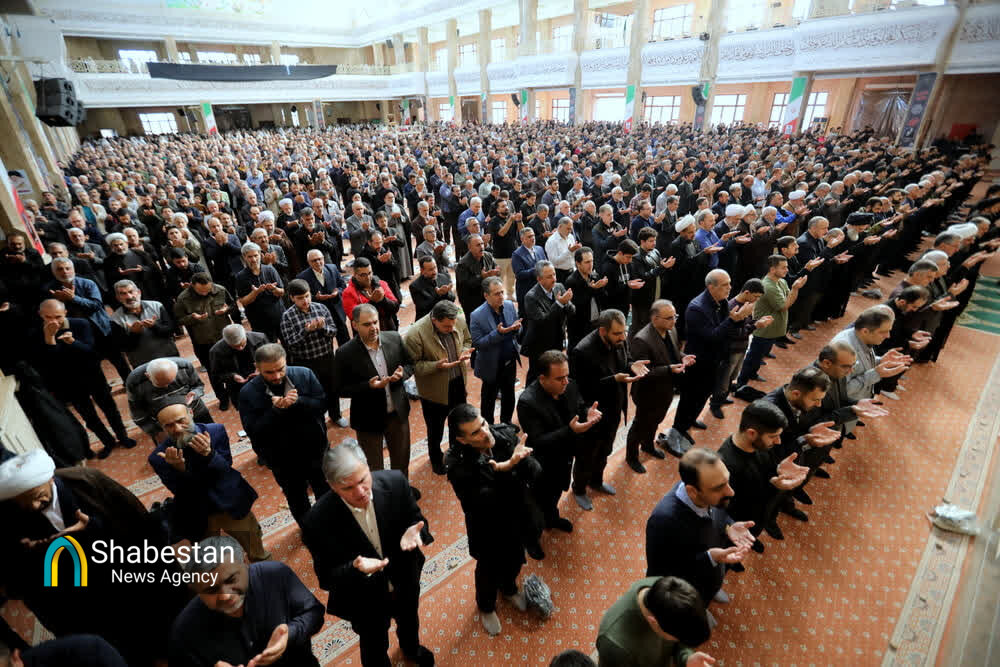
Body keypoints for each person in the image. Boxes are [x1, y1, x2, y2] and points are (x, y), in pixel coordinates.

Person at [0, 449, 185, 665]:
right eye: (24, 503)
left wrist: (94, 530)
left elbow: (140, 528)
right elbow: (23, 582)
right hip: (83, 605)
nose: (32, 506)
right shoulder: (8, 515)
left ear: (50, 478)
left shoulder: (89, 482)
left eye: (36, 496)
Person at [300, 442, 435, 667]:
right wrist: (355, 568)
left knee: (410, 622)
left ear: (368, 467)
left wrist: (417, 533)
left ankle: (411, 649)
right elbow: (326, 577)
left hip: (404, 580)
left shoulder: (396, 482)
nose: (360, 492)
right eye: (348, 488)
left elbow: (417, 520)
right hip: (364, 599)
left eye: (363, 480)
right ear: (332, 486)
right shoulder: (316, 521)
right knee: (374, 646)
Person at [445, 403, 544, 635]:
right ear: (462, 440)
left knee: (515, 559)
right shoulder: (457, 465)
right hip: (487, 527)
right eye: (475, 432)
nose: (485, 433)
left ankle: (509, 589)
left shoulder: (503, 435)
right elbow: (483, 502)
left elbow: (535, 471)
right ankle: (486, 606)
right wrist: (506, 468)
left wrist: (523, 461)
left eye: (483, 424)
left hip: (517, 517)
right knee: (488, 570)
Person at [169, 535, 324, 667]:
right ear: (195, 589)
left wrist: (290, 634)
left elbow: (313, 612)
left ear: (245, 562)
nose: (225, 596)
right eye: (211, 590)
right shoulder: (184, 632)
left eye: (231, 580)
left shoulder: (276, 575)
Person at [150, 400, 269, 561]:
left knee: (257, 551)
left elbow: (226, 468)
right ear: (161, 427)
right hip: (197, 513)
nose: (177, 429)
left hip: (230, 502)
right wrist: (180, 470)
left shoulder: (215, 431)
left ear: (191, 413)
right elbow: (180, 492)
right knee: (211, 563)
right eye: (169, 425)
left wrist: (210, 454)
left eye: (181, 421)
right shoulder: (159, 457)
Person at [645, 448, 755, 616]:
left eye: (727, 481)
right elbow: (664, 575)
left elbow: (719, 516)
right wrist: (710, 558)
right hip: (689, 589)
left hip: (712, 573)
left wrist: (729, 527)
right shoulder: (663, 522)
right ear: (692, 491)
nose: (731, 492)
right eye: (719, 487)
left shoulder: (709, 490)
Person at [237, 343, 330, 523]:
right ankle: (309, 530)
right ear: (257, 368)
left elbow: (322, 405)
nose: (277, 376)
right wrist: (275, 411)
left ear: (286, 361)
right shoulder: (247, 393)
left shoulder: (304, 374)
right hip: (282, 460)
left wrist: (299, 402)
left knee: (324, 491)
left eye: (280, 369)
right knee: (297, 499)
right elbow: (254, 431)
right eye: (269, 372)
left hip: (315, 449)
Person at [33, 299, 136, 459]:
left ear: (65, 312)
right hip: (69, 382)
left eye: (58, 316)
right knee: (89, 416)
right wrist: (50, 339)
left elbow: (92, 352)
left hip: (92, 375)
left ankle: (123, 437)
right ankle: (108, 442)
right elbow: (49, 365)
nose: (54, 321)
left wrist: (73, 342)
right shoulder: (37, 334)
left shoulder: (81, 324)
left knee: (109, 408)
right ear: (40, 315)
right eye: (48, 317)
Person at [570, 309, 648, 510]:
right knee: (587, 454)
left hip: (614, 407)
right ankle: (579, 488)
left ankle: (596, 481)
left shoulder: (620, 339)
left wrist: (632, 365)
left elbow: (626, 360)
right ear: (603, 331)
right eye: (617, 333)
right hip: (593, 412)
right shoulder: (582, 351)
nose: (623, 337)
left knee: (605, 449)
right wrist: (614, 379)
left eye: (624, 332)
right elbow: (581, 388)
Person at [517, 350, 602, 533]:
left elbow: (579, 406)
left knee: (555, 494)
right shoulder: (527, 402)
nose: (566, 382)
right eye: (559, 378)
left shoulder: (569, 385)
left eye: (566, 376)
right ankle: (535, 534)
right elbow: (538, 441)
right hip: (544, 463)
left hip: (565, 457)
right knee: (540, 500)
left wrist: (587, 412)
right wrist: (570, 431)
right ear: (542, 378)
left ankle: (551, 519)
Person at [669, 270, 753, 446]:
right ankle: (679, 429)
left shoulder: (721, 301)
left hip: (716, 359)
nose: (730, 288)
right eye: (725, 285)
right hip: (699, 361)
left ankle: (690, 421)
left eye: (729, 283)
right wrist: (734, 319)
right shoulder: (697, 308)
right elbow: (712, 336)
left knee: (704, 394)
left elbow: (728, 330)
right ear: (711, 287)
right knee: (690, 398)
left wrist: (739, 319)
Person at [334, 303, 415, 478]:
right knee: (374, 468)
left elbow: (410, 363)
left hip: (397, 413)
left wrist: (402, 374)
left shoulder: (394, 338)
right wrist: (368, 386)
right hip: (368, 419)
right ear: (354, 325)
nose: (373, 328)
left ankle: (400, 489)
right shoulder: (344, 353)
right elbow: (339, 388)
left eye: (375, 322)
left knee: (401, 463)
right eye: (367, 324)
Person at [717, 399, 804, 549]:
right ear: (751, 433)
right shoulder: (725, 466)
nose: (778, 441)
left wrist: (778, 472)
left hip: (758, 515)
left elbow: (765, 472)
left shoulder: (760, 444)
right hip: (738, 527)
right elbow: (721, 510)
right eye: (773, 436)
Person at [404, 300, 472, 475]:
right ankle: (435, 459)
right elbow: (413, 366)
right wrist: (436, 366)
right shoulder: (415, 334)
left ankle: (455, 453)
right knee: (435, 428)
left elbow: (467, 339)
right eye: (446, 327)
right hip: (433, 391)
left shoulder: (457, 320)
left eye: (453, 325)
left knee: (458, 423)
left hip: (457, 382)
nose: (451, 328)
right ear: (434, 320)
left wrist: (464, 350)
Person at [627, 300, 693, 467]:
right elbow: (643, 372)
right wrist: (669, 369)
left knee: (655, 421)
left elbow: (672, 353)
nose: (674, 321)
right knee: (639, 426)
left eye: (675, 316)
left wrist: (682, 357)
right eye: (669, 318)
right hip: (648, 392)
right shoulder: (642, 340)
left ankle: (647, 445)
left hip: (666, 388)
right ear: (655, 319)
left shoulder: (670, 329)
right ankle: (631, 457)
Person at [44, 256, 131, 381]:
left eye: (67, 268)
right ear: (54, 272)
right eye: (60, 269)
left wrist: (74, 298)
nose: (64, 272)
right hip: (77, 334)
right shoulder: (50, 290)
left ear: (73, 269)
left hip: (100, 329)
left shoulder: (87, 283)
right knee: (91, 366)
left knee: (118, 361)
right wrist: (59, 301)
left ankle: (130, 384)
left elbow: (96, 305)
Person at [596, 576, 714, 667]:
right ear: (654, 622)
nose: (679, 640)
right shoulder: (614, 646)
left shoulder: (665, 588)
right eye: (677, 638)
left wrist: (686, 658)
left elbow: (680, 640)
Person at [732, 256, 806, 398]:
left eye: (787, 267)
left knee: (759, 356)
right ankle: (740, 384)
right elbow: (784, 305)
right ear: (772, 269)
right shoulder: (769, 286)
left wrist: (792, 292)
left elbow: (788, 299)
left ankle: (752, 373)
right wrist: (795, 289)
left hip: (773, 329)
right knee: (753, 357)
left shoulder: (781, 281)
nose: (787, 270)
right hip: (764, 330)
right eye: (783, 267)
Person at [280, 278, 347, 427]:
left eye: (307, 296)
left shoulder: (321, 308)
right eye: (300, 298)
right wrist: (306, 331)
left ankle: (335, 415)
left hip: (327, 357)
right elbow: (290, 344)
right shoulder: (287, 317)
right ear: (292, 298)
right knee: (312, 393)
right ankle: (318, 420)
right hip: (305, 362)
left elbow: (333, 331)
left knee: (332, 388)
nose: (305, 301)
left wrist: (322, 328)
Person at [173, 271, 240, 401]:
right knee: (213, 372)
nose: (205, 293)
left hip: (224, 337)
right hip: (203, 342)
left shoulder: (220, 290)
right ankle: (222, 398)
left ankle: (235, 394)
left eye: (207, 290)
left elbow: (233, 306)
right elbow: (179, 320)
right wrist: (192, 318)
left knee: (231, 367)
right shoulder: (183, 298)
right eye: (201, 291)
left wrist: (226, 310)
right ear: (192, 285)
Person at [831, 305, 911, 402]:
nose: (888, 336)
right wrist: (876, 374)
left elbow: (859, 365)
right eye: (883, 332)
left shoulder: (861, 337)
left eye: (889, 331)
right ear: (865, 331)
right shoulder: (843, 351)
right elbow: (841, 391)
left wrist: (880, 360)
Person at [469, 277, 521, 424]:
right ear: (486, 295)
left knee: (509, 395)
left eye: (502, 292)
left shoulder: (509, 305)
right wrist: (498, 333)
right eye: (497, 294)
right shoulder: (476, 315)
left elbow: (517, 330)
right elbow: (478, 343)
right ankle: (490, 429)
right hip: (491, 365)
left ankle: (506, 424)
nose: (501, 296)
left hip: (509, 361)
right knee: (488, 400)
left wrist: (516, 329)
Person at [125, 357, 212, 442]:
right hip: (165, 425)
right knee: (178, 448)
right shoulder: (134, 382)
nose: (166, 387)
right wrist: (155, 432)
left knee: (212, 436)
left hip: (196, 411)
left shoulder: (184, 366)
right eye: (160, 384)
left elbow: (199, 386)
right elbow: (137, 413)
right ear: (148, 376)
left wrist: (195, 393)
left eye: (170, 382)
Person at [521, 260, 575, 385]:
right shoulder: (531, 297)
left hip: (557, 340)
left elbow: (572, 311)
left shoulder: (559, 287)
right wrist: (559, 303)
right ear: (539, 279)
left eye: (554, 274)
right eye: (549, 276)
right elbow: (543, 322)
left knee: (554, 373)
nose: (554, 279)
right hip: (539, 345)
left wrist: (566, 303)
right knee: (536, 375)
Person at [109, 279, 179, 367]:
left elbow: (171, 331)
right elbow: (123, 347)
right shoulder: (115, 319)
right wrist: (134, 333)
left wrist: (155, 326)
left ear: (139, 292)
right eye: (123, 294)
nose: (129, 296)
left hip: (169, 357)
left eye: (131, 291)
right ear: (118, 298)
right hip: (143, 364)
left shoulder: (157, 306)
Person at [209, 323, 269, 410]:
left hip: (265, 381)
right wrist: (232, 376)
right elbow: (216, 375)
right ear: (226, 342)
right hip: (238, 388)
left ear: (245, 335)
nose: (240, 348)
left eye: (242, 344)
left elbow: (274, 358)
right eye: (235, 346)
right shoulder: (216, 351)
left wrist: (262, 368)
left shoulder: (260, 338)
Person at [235, 241, 285, 343]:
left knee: (288, 345)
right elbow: (243, 302)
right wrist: (255, 293)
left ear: (260, 255)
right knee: (269, 350)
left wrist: (274, 289)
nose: (253, 259)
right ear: (244, 257)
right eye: (249, 257)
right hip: (259, 322)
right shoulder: (240, 277)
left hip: (278, 316)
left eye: (255, 255)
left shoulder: (270, 270)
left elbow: (282, 292)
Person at [341, 257, 401, 333]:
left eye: (369, 273)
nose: (368, 277)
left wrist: (383, 300)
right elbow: (355, 318)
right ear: (355, 275)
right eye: (363, 275)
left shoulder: (381, 284)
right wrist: (372, 302)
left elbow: (395, 307)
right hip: (366, 335)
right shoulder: (348, 293)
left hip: (388, 330)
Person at [455, 234, 498, 316]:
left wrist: (496, 273)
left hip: (487, 297)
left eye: (482, 244)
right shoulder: (463, 264)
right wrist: (482, 277)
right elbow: (465, 284)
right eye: (478, 245)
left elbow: (495, 269)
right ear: (469, 247)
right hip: (471, 301)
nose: (481, 247)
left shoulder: (488, 256)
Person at [408, 255, 456, 321]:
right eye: (430, 269)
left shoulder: (444, 277)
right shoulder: (415, 286)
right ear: (422, 270)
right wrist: (438, 294)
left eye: (435, 267)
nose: (434, 272)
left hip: (445, 317)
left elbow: (452, 299)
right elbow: (423, 307)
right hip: (427, 320)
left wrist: (446, 293)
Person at [511, 227, 547, 311]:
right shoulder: (517, 254)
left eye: (533, 235)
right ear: (522, 239)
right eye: (529, 236)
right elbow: (519, 274)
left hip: (541, 289)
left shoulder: (539, 249)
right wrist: (535, 270)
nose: (533, 238)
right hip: (526, 290)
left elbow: (546, 263)